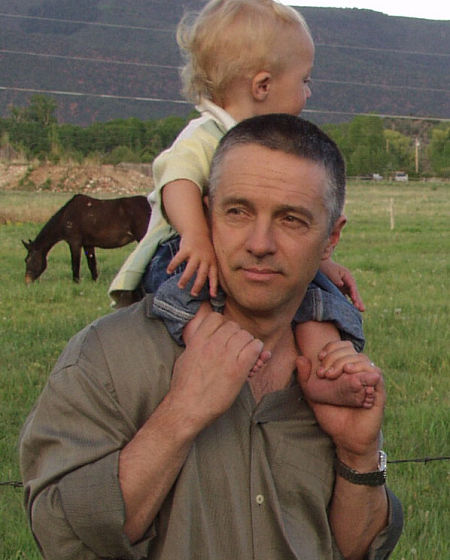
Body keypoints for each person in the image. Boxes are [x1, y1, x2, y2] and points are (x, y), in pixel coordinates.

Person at [20, 114, 402, 560]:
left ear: (331, 238)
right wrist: (181, 412)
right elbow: (62, 538)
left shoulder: (335, 373)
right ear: (205, 214)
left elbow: (356, 550)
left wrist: (358, 455)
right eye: (238, 211)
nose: (260, 242)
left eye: (292, 219)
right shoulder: (105, 360)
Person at [108, 0, 370, 407]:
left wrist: (322, 262)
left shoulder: (264, 146)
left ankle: (327, 366)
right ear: (263, 86)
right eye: (304, 80)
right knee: (183, 290)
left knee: (316, 294)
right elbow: (175, 181)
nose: (308, 92)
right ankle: (211, 351)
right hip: (185, 246)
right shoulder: (205, 133)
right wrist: (196, 234)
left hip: (226, 248)